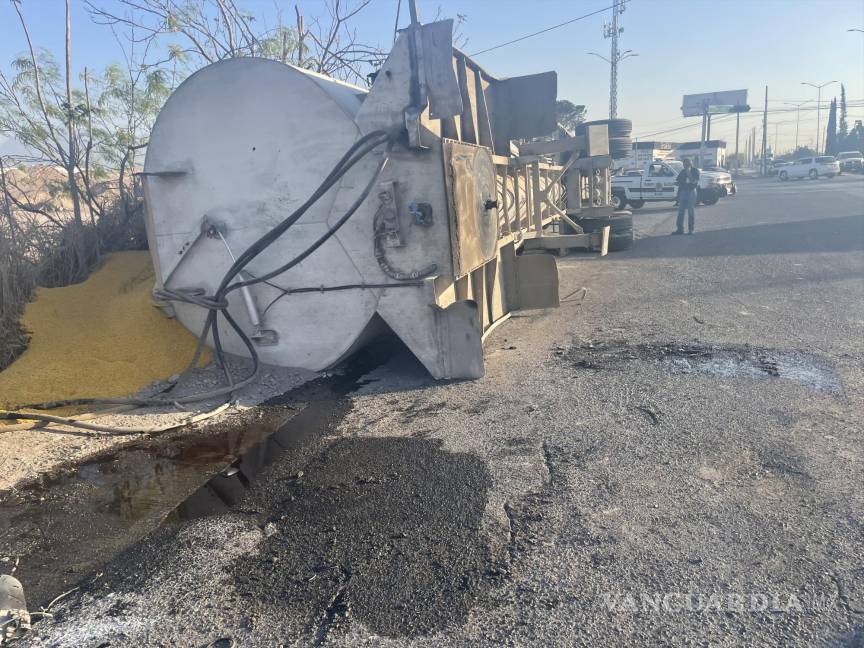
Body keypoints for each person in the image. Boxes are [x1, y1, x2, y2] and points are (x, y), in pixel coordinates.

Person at [674, 158, 700, 235]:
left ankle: (691, 229)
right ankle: (680, 229)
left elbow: (693, 181)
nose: (686, 165)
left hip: (691, 192)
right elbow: (678, 181)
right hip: (683, 192)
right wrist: (677, 183)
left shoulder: (695, 171)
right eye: (685, 164)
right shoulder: (682, 172)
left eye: (688, 164)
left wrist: (688, 172)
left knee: (690, 211)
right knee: (681, 211)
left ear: (691, 163)